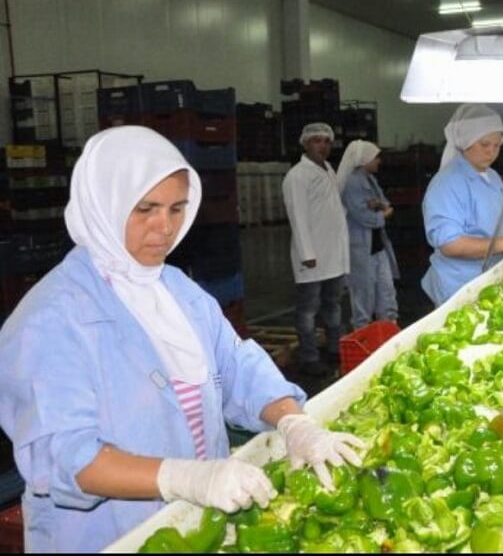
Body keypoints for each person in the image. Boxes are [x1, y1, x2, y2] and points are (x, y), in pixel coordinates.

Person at [0, 126, 364, 553]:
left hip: (192, 525)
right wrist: (185, 477)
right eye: (145, 209)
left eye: (177, 209)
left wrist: (292, 421)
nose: (164, 228)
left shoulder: (175, 289)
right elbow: (67, 455)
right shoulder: (50, 320)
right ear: (104, 204)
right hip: (108, 537)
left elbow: (237, 367)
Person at [421, 104, 503, 306]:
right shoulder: (447, 184)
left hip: (491, 278)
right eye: (484, 144)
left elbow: (494, 228)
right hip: (460, 286)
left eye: (497, 145)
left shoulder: (492, 176)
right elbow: (450, 244)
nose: (491, 152)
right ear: (466, 142)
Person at [282, 123, 350, 376]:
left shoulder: (328, 170)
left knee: (333, 304)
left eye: (326, 141)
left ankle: (334, 349)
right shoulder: (297, 176)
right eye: (316, 141)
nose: (322, 146)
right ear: (305, 144)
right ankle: (309, 358)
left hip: (333, 254)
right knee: (308, 309)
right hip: (312, 257)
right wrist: (307, 254)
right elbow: (297, 216)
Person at [336, 140, 399, 329]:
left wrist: (378, 207)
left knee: (386, 291)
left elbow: (385, 204)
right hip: (361, 247)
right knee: (363, 294)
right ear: (365, 159)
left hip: (377, 246)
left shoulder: (370, 179)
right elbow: (365, 217)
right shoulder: (353, 182)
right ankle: (363, 334)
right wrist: (381, 211)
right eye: (375, 157)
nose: (379, 161)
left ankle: (388, 330)